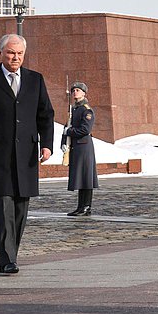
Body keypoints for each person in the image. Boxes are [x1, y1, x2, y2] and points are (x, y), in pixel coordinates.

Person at [0, 34, 55, 274]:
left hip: (27, 154)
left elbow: (45, 114)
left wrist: (46, 144)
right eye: (10, 53)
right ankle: (7, 259)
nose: (15, 57)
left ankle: (11, 253)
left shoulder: (35, 80)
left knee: (20, 208)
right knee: (4, 204)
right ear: (0, 53)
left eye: (19, 54)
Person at [64, 82, 97, 216]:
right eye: (73, 91)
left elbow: (85, 129)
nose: (75, 93)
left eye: (78, 90)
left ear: (84, 93)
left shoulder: (86, 110)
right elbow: (66, 127)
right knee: (79, 177)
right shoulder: (73, 110)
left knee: (86, 177)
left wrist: (69, 132)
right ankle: (80, 206)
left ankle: (86, 206)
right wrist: (64, 141)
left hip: (84, 146)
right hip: (76, 146)